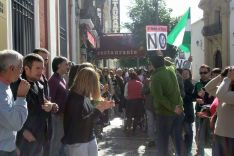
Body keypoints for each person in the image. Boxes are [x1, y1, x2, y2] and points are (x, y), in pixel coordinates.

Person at [11, 54, 57, 156]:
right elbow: (8, 113)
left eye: (42, 68)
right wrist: (22, 132)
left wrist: (52, 106)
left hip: (42, 138)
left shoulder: (38, 84)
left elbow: (44, 104)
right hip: (25, 143)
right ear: (26, 69)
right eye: (37, 68)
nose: (41, 71)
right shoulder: (16, 86)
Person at [62, 67, 114, 156]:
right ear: (86, 82)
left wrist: (102, 105)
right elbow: (81, 122)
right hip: (77, 140)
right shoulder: (73, 98)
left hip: (88, 137)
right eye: (94, 83)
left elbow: (88, 111)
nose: (95, 86)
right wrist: (99, 109)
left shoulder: (83, 95)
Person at [150, 54, 184, 156]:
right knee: (178, 139)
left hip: (165, 113)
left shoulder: (155, 77)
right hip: (179, 110)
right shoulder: (171, 69)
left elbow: (160, 98)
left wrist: (173, 108)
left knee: (163, 141)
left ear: (152, 65)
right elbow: (172, 63)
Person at [0, 50, 30, 156]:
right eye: (20, 67)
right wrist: (21, 97)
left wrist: (13, 146)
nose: (22, 72)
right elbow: (16, 123)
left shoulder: (5, 86)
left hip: (7, 147)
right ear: (12, 68)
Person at [49, 56, 70, 156]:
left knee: (62, 143)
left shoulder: (62, 79)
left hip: (63, 117)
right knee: (56, 143)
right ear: (59, 65)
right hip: (57, 117)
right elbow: (50, 100)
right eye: (66, 64)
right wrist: (58, 113)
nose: (68, 66)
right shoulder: (53, 80)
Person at [213, 66, 234, 155]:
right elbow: (208, 87)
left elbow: (220, 94)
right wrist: (222, 75)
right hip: (220, 134)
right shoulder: (226, 90)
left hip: (230, 137)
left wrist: (227, 79)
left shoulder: (226, 92)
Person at [181, 68, 194, 155]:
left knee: (188, 132)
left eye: (187, 73)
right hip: (179, 111)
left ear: (189, 75)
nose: (185, 74)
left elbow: (191, 98)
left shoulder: (191, 85)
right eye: (183, 73)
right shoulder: (178, 83)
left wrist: (183, 95)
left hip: (187, 111)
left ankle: (188, 149)